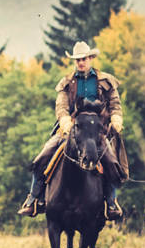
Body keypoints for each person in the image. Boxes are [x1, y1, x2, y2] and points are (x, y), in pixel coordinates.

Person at [18, 40, 128, 219]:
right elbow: (61, 106)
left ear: (90, 58)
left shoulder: (105, 80)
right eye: (77, 60)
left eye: (84, 59)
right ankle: (34, 199)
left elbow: (115, 103)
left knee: (112, 162)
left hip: (98, 132)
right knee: (43, 157)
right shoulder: (67, 82)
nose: (81, 62)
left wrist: (116, 118)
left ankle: (111, 202)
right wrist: (65, 121)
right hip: (72, 130)